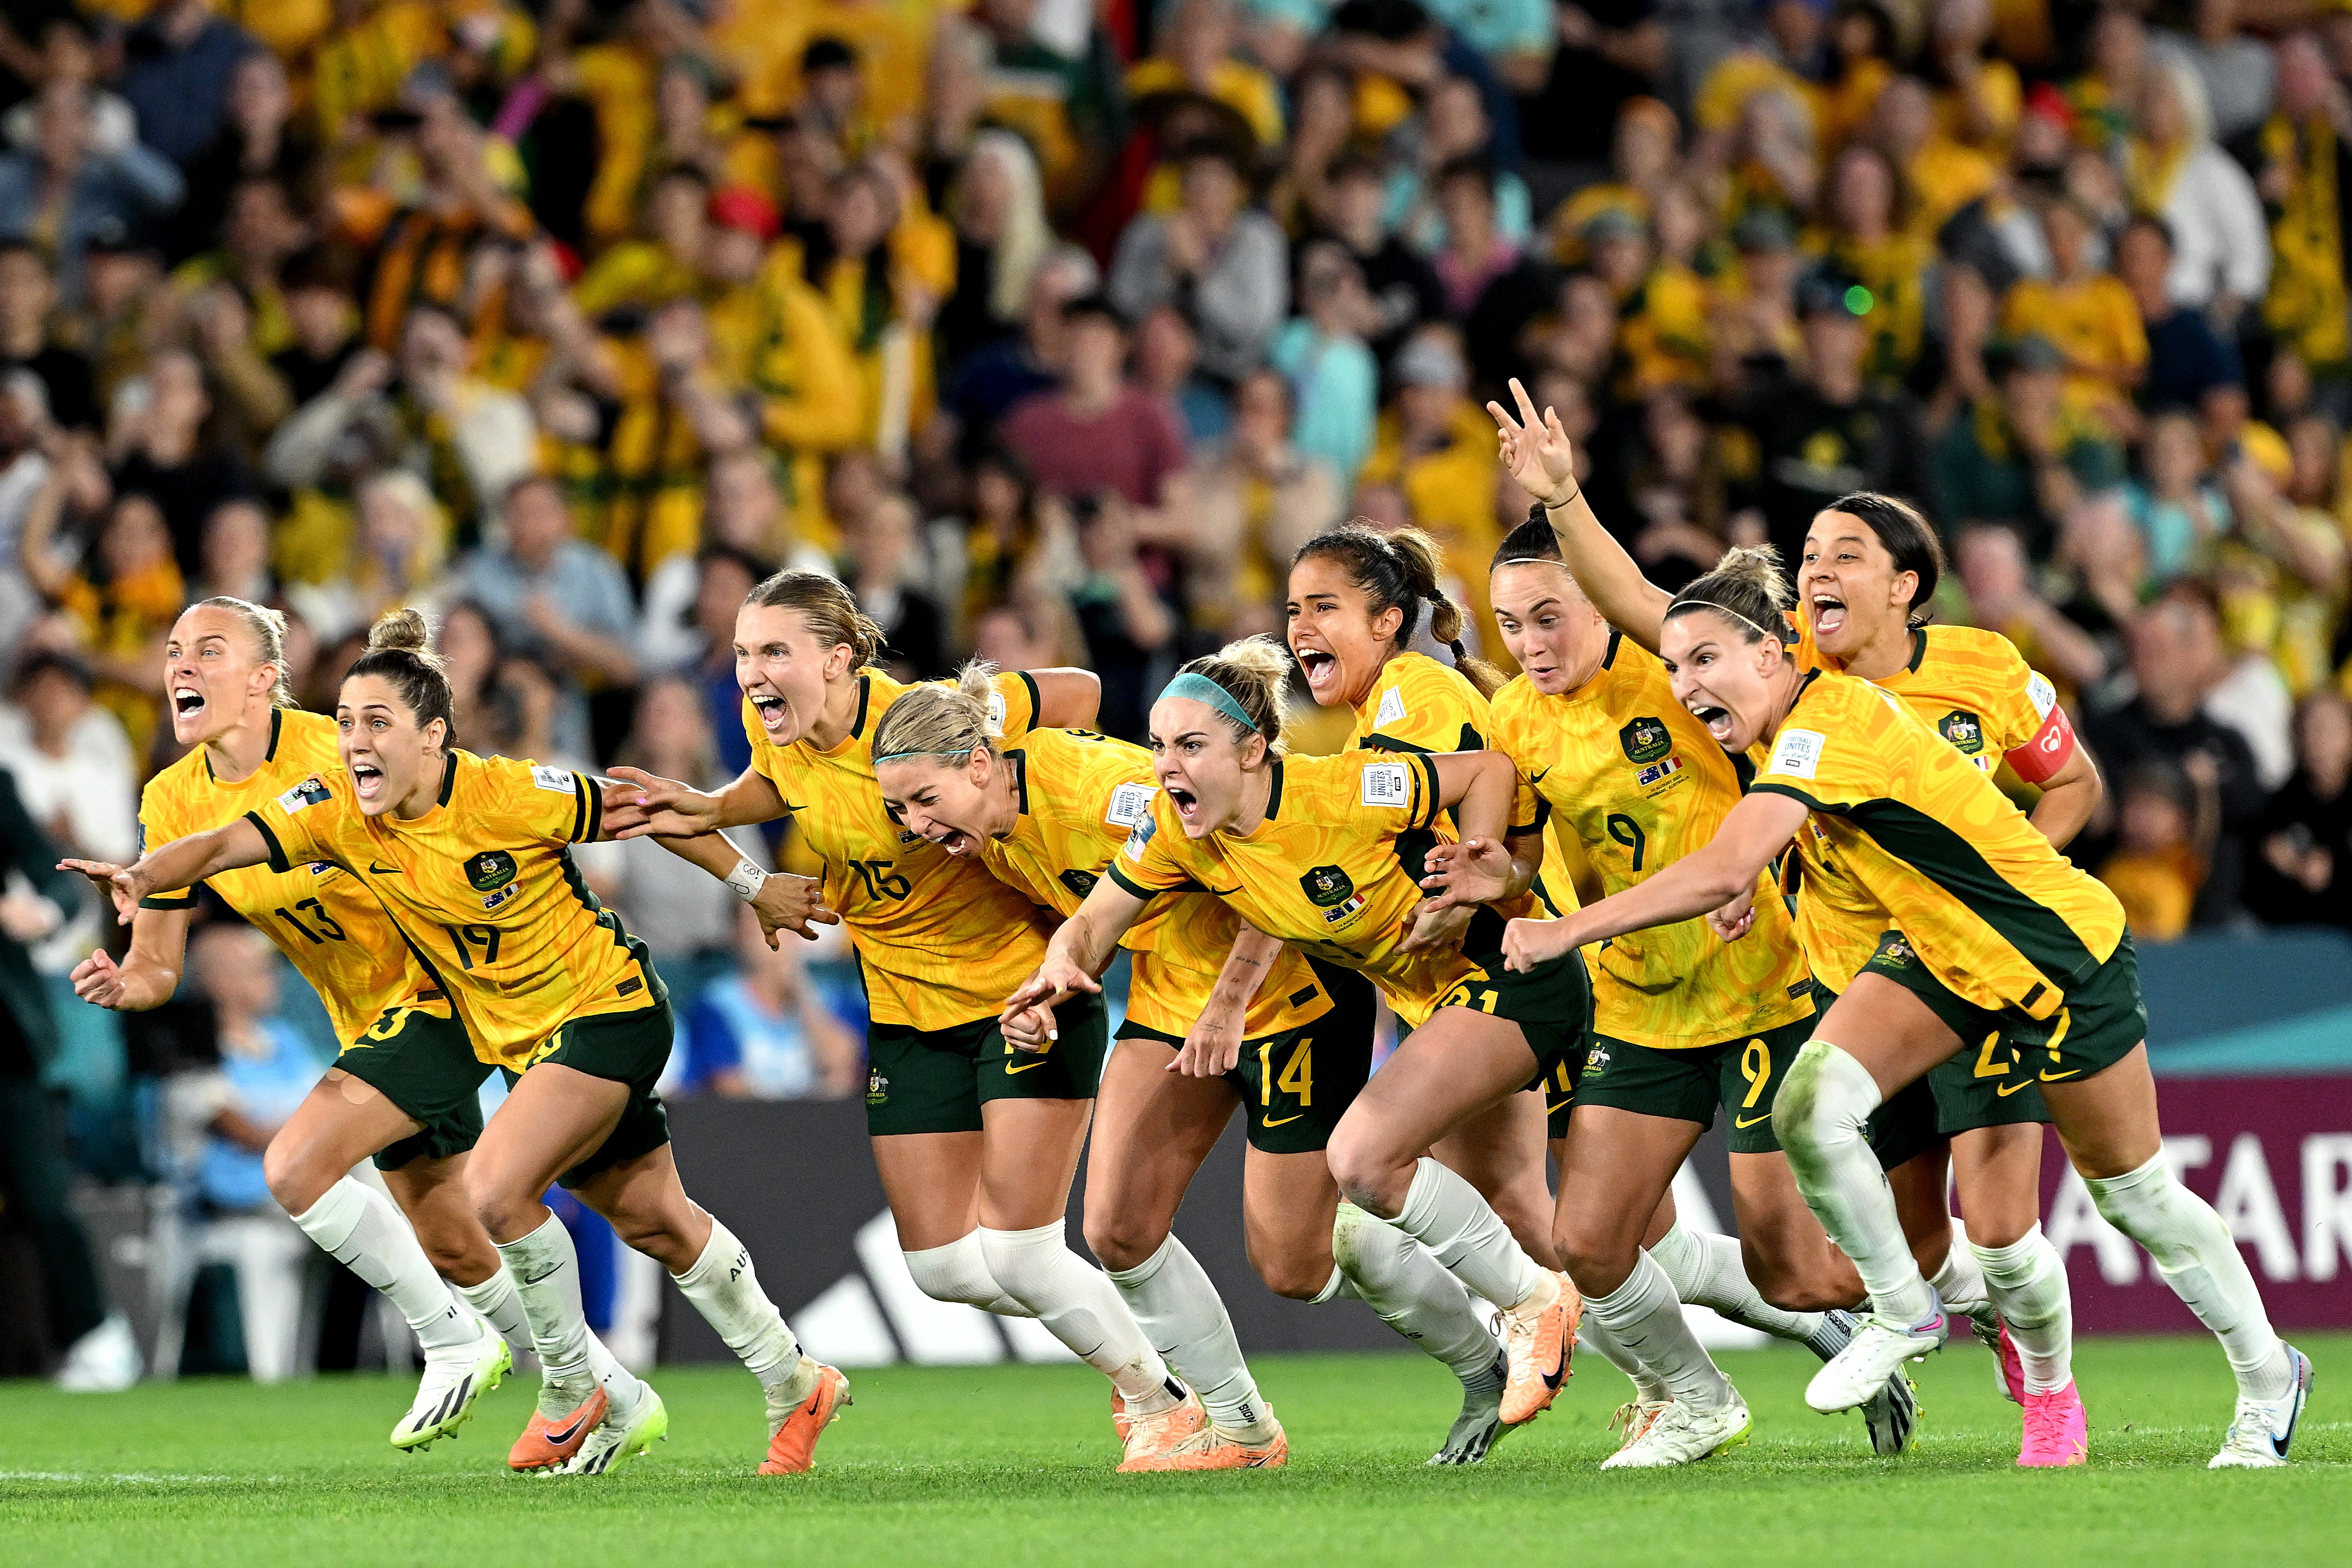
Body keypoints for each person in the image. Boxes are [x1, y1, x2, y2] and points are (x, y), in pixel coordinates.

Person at [1480, 541, 2310, 1470]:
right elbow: (1819, 831)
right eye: (1672, 667)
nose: (1681, 686)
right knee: (1813, 1103)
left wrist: (1566, 929)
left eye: (1702, 660)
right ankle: (1903, 1307)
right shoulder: (1770, 722)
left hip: (2052, 948)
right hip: (1936, 959)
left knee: (2136, 1197)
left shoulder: (1822, 723)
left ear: (1773, 652)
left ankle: (2268, 1375)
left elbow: (1722, 856)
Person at [68, 610, 845, 1480]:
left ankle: (559, 1384)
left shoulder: (502, 791)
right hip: (496, 1027)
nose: (355, 743)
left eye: (374, 727)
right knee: (649, 1219)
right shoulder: (323, 805)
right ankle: (792, 1378)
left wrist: (754, 882)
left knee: (485, 1188)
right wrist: (140, 878)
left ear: (431, 736)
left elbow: (647, 806)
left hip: (597, 1004)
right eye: (351, 724)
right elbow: (219, 847)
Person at [1502, 381, 2109, 1463]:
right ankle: (1930, 1305)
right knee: (1828, 1267)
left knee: (2033, 1218)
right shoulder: (1789, 673)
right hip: (1858, 973)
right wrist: (1561, 501)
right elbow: (1643, 599)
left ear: (1900, 587)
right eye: (1814, 559)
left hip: (1965, 960)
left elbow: (2068, 789)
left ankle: (2115, 1376)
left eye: (1845, 557)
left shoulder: (1971, 668)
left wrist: (2006, 896)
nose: (1822, 575)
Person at [603, 571, 1203, 1468]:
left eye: (774, 651)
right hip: (903, 1017)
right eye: (740, 654)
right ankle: (1143, 1349)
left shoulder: (926, 720)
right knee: (944, 1269)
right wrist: (748, 875)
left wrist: (1054, 796)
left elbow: (1075, 694)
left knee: (1023, 1253)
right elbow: (764, 794)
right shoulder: (784, 740)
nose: (750, 672)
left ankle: (1162, 1399)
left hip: (1021, 997)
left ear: (839, 659)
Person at [872, 667, 1520, 1467]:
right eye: (898, 810)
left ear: (978, 764)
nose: (914, 825)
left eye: (924, 800)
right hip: (1169, 999)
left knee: (1294, 1263)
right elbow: (1096, 916)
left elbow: (1266, 858)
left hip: (1288, 997)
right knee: (1115, 1229)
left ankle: (1483, 1362)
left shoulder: (1101, 793)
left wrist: (1231, 995)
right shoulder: (998, 833)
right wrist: (1049, 987)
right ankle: (1241, 1427)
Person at [1004, 640, 1591, 1457]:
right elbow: (1095, 923)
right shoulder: (1174, 830)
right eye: (1159, 744)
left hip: (1510, 973)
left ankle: (1540, 1307)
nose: (1165, 766)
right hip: (1427, 998)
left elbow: (1486, 767)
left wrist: (1477, 862)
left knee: (1408, 1171)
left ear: (1253, 751)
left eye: (1190, 746)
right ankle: (1638, 1362)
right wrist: (1059, 969)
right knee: (1327, 1239)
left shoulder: (1347, 787)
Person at [1445, 510, 1922, 1464]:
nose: (1530, 646)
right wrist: (1492, 879)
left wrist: (1748, 871)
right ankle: (1696, 1402)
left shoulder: (1675, 671)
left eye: (1549, 616)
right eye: (1510, 626)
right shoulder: (1510, 722)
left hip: (1762, 991)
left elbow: (1771, 777)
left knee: (1791, 1276)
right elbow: (1528, 865)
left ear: (1595, 605)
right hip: (1637, 1004)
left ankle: (1954, 1299)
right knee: (1586, 1240)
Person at [67, 596, 522, 1448]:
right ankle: (601, 1384)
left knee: (299, 1166)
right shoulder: (171, 798)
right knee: (457, 1239)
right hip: (366, 1019)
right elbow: (161, 963)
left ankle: (456, 1340)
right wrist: (130, 981)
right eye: (172, 651)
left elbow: (454, 815)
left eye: (208, 650)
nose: (182, 666)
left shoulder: (339, 747)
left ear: (265, 679)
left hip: (453, 986)